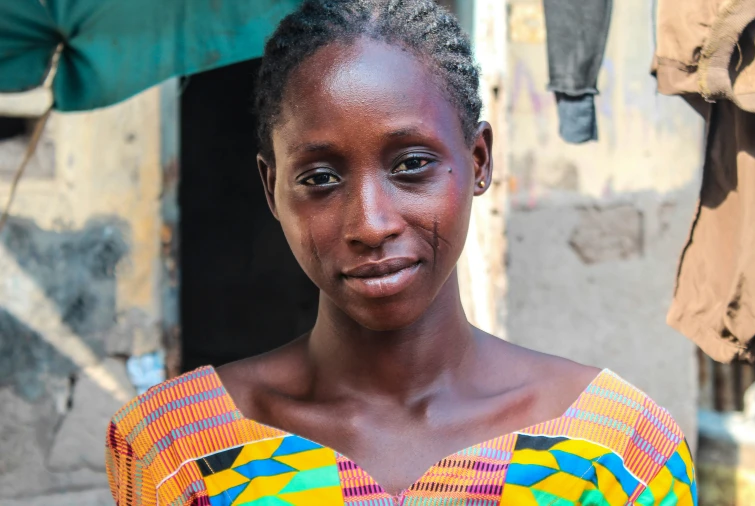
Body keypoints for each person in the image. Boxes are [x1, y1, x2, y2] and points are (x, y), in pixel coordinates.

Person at [105, 1, 697, 505]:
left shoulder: (618, 455)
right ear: (271, 190)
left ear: (478, 161)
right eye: (319, 178)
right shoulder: (176, 452)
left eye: (412, 165)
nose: (371, 223)